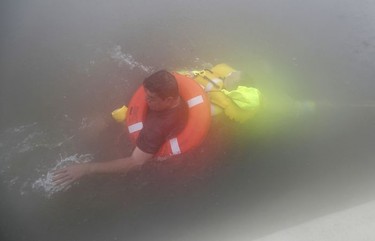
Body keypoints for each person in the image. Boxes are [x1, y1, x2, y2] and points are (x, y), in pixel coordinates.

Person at [53, 70, 188, 188]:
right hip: (173, 131)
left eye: (151, 98)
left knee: (103, 132)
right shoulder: (179, 100)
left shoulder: (155, 128)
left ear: (169, 99)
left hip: (157, 158)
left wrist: (87, 168)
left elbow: (135, 162)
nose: (146, 100)